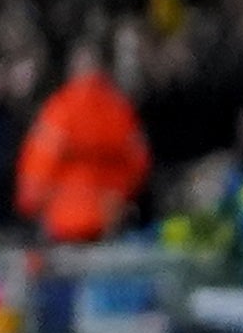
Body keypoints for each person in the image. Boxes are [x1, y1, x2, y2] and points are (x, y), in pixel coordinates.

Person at [18, 35, 148, 245]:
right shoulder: (119, 110)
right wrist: (120, 198)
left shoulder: (59, 110)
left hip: (63, 223)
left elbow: (38, 169)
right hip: (108, 221)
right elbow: (138, 164)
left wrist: (31, 206)